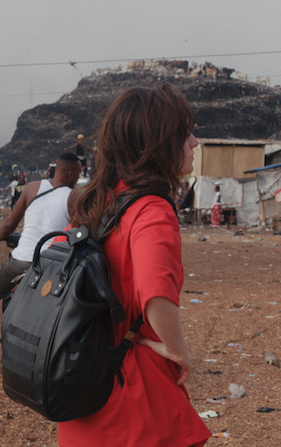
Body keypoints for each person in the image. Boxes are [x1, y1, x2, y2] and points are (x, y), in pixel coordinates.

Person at [58, 84, 211, 447]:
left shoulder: (97, 203)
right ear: (158, 144)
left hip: (83, 385)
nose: (195, 142)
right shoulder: (151, 208)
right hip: (132, 398)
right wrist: (178, 351)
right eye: (184, 133)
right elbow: (155, 294)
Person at [0, 153, 82, 372]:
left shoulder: (31, 188)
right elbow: (76, 230)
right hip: (47, 265)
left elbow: (10, 225)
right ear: (69, 173)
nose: (77, 178)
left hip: (20, 260)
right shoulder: (74, 196)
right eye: (77, 173)